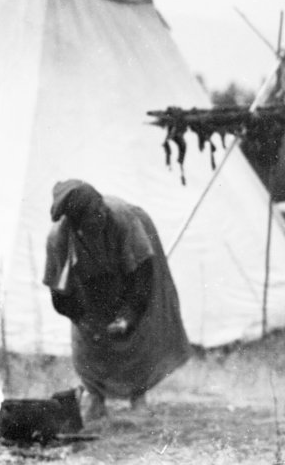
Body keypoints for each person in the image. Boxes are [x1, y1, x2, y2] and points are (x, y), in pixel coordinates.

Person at [43, 180, 191, 421]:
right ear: (78, 223)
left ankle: (138, 396)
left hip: (131, 271)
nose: (101, 215)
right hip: (89, 283)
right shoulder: (59, 238)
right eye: (93, 215)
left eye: (101, 208)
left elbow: (143, 275)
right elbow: (59, 294)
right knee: (88, 340)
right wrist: (81, 318)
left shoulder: (123, 219)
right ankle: (96, 396)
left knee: (138, 333)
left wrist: (129, 316)